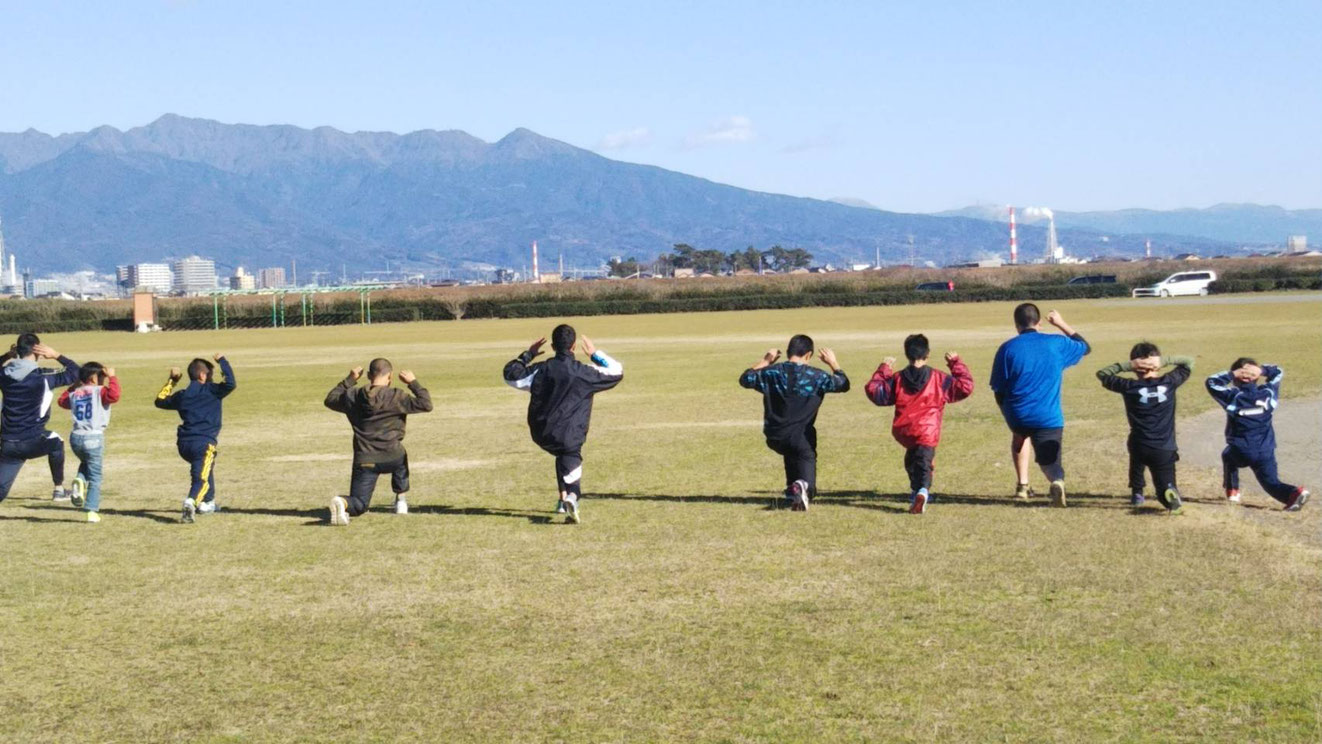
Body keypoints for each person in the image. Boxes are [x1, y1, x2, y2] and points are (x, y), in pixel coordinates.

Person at [503, 324, 623, 524]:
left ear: (552, 346)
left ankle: (561, 501)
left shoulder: (540, 370)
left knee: (562, 455)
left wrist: (528, 355)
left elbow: (510, 374)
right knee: (570, 454)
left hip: (542, 432)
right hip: (569, 435)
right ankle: (572, 498)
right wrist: (595, 354)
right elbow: (616, 372)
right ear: (573, 346)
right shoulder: (584, 372)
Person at [989, 304, 1090, 507]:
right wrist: (1061, 323)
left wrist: (1008, 413)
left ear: (1016, 325)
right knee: (1049, 463)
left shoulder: (1007, 348)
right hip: (1049, 416)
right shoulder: (1056, 343)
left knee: (1019, 437)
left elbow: (998, 389)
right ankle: (1057, 480)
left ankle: (1022, 486)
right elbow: (1085, 346)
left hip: (1018, 415)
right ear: (1040, 323)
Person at [864, 334, 973, 514]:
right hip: (927, 431)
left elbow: (875, 391)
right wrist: (955, 363)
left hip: (904, 430)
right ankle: (922, 492)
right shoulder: (939, 378)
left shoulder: (898, 378)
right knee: (924, 463)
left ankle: (916, 492)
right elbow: (965, 386)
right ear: (927, 354)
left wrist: (884, 369)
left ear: (907, 354)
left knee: (913, 460)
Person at [739, 334, 849, 511]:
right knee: (805, 456)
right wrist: (833, 363)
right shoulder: (816, 376)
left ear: (788, 352)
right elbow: (843, 384)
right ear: (808, 355)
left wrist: (766, 360)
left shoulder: (771, 373)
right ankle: (804, 487)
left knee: (791, 452)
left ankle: (793, 489)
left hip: (774, 436)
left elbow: (746, 378)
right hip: (800, 438)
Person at [325, 359, 433, 526]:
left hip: (365, 460)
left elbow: (330, 399)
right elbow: (426, 404)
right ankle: (401, 500)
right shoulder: (396, 396)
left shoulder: (353, 396)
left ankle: (343, 502)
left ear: (368, 376)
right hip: (392, 457)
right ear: (389, 376)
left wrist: (350, 380)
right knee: (401, 456)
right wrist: (413, 382)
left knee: (359, 504)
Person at [1096, 343, 1193, 512]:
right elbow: (1188, 362)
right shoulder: (1170, 382)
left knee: (1136, 457)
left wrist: (1130, 365)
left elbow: (1102, 374)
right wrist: (1163, 361)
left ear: (1135, 366)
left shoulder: (1129, 387)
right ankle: (1169, 492)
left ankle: (1137, 492)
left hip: (1139, 445)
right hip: (1164, 447)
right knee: (1165, 481)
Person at [1206, 358, 1309, 511]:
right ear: (1257, 377)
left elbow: (1212, 382)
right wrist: (1262, 370)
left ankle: (1232, 491)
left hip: (1241, 450)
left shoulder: (1233, 397)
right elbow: (1278, 372)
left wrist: (1233, 373)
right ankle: (1295, 493)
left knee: (1228, 456)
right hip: (1266, 450)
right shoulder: (1268, 393)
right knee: (1271, 484)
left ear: (1235, 379)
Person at [154, 353, 237, 523]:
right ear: (202, 375)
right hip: (203, 443)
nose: (212, 379)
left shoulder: (182, 395)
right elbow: (230, 383)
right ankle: (191, 502)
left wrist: (172, 381)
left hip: (184, 444)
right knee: (201, 479)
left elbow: (160, 400)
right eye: (211, 375)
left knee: (206, 467)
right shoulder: (212, 391)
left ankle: (208, 503)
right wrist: (223, 361)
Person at [0, 334, 79, 505]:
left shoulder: (4, 376)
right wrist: (57, 355)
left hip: (8, 443)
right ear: (38, 350)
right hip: (33, 440)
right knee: (57, 441)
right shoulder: (42, 377)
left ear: (17, 350)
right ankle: (59, 489)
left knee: (1, 489)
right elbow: (76, 373)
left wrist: (7, 356)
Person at [56, 362, 121, 522]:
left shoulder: (75, 393)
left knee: (86, 462)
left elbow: (62, 400)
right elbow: (114, 395)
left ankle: (79, 481)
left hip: (76, 436)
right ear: (93, 378)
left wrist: (76, 385)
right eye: (101, 377)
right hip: (93, 437)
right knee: (96, 476)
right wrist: (112, 377)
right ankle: (91, 510)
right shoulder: (100, 391)